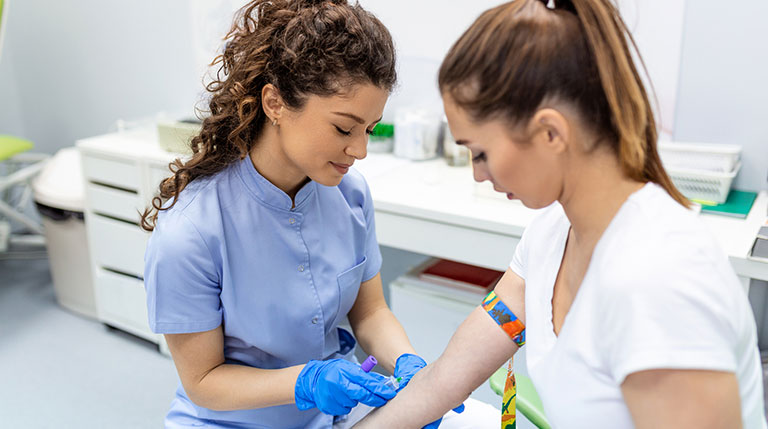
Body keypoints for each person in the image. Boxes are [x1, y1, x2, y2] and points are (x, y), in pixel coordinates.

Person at [354, 0, 767, 428]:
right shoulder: (551, 237)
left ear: (551, 132)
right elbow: (444, 381)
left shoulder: (660, 278)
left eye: (481, 153)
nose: (478, 175)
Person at [141, 0, 497, 428]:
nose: (360, 151)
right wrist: (306, 382)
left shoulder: (350, 196)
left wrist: (408, 363)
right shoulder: (192, 231)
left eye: (369, 128)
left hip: (332, 417)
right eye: (344, 129)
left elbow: (370, 313)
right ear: (274, 103)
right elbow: (203, 381)